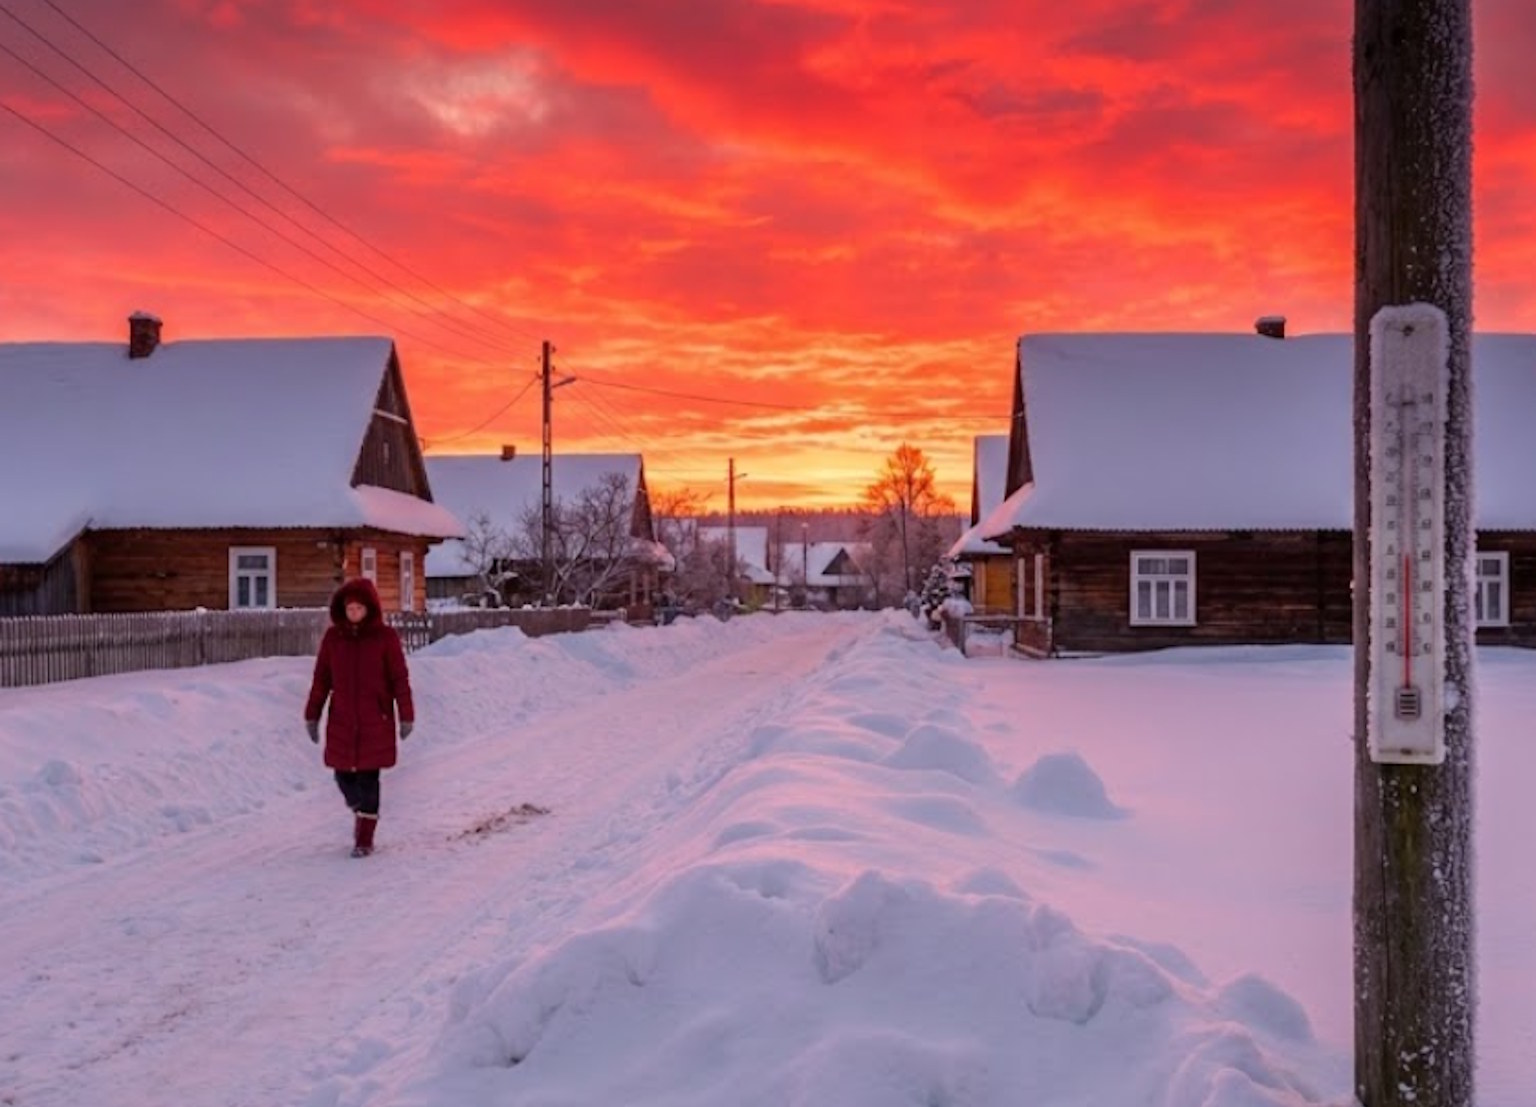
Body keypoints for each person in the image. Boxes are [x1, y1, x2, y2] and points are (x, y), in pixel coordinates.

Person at [303, 577, 415, 858]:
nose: (353, 613)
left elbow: (399, 679)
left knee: (368, 778)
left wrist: (406, 715)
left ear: (369, 609)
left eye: (358, 608)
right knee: (342, 775)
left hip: (375, 719)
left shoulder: (385, 638)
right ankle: (361, 811)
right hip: (342, 719)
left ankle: (364, 839)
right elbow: (321, 679)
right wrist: (312, 715)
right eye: (349, 608)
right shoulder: (333, 639)